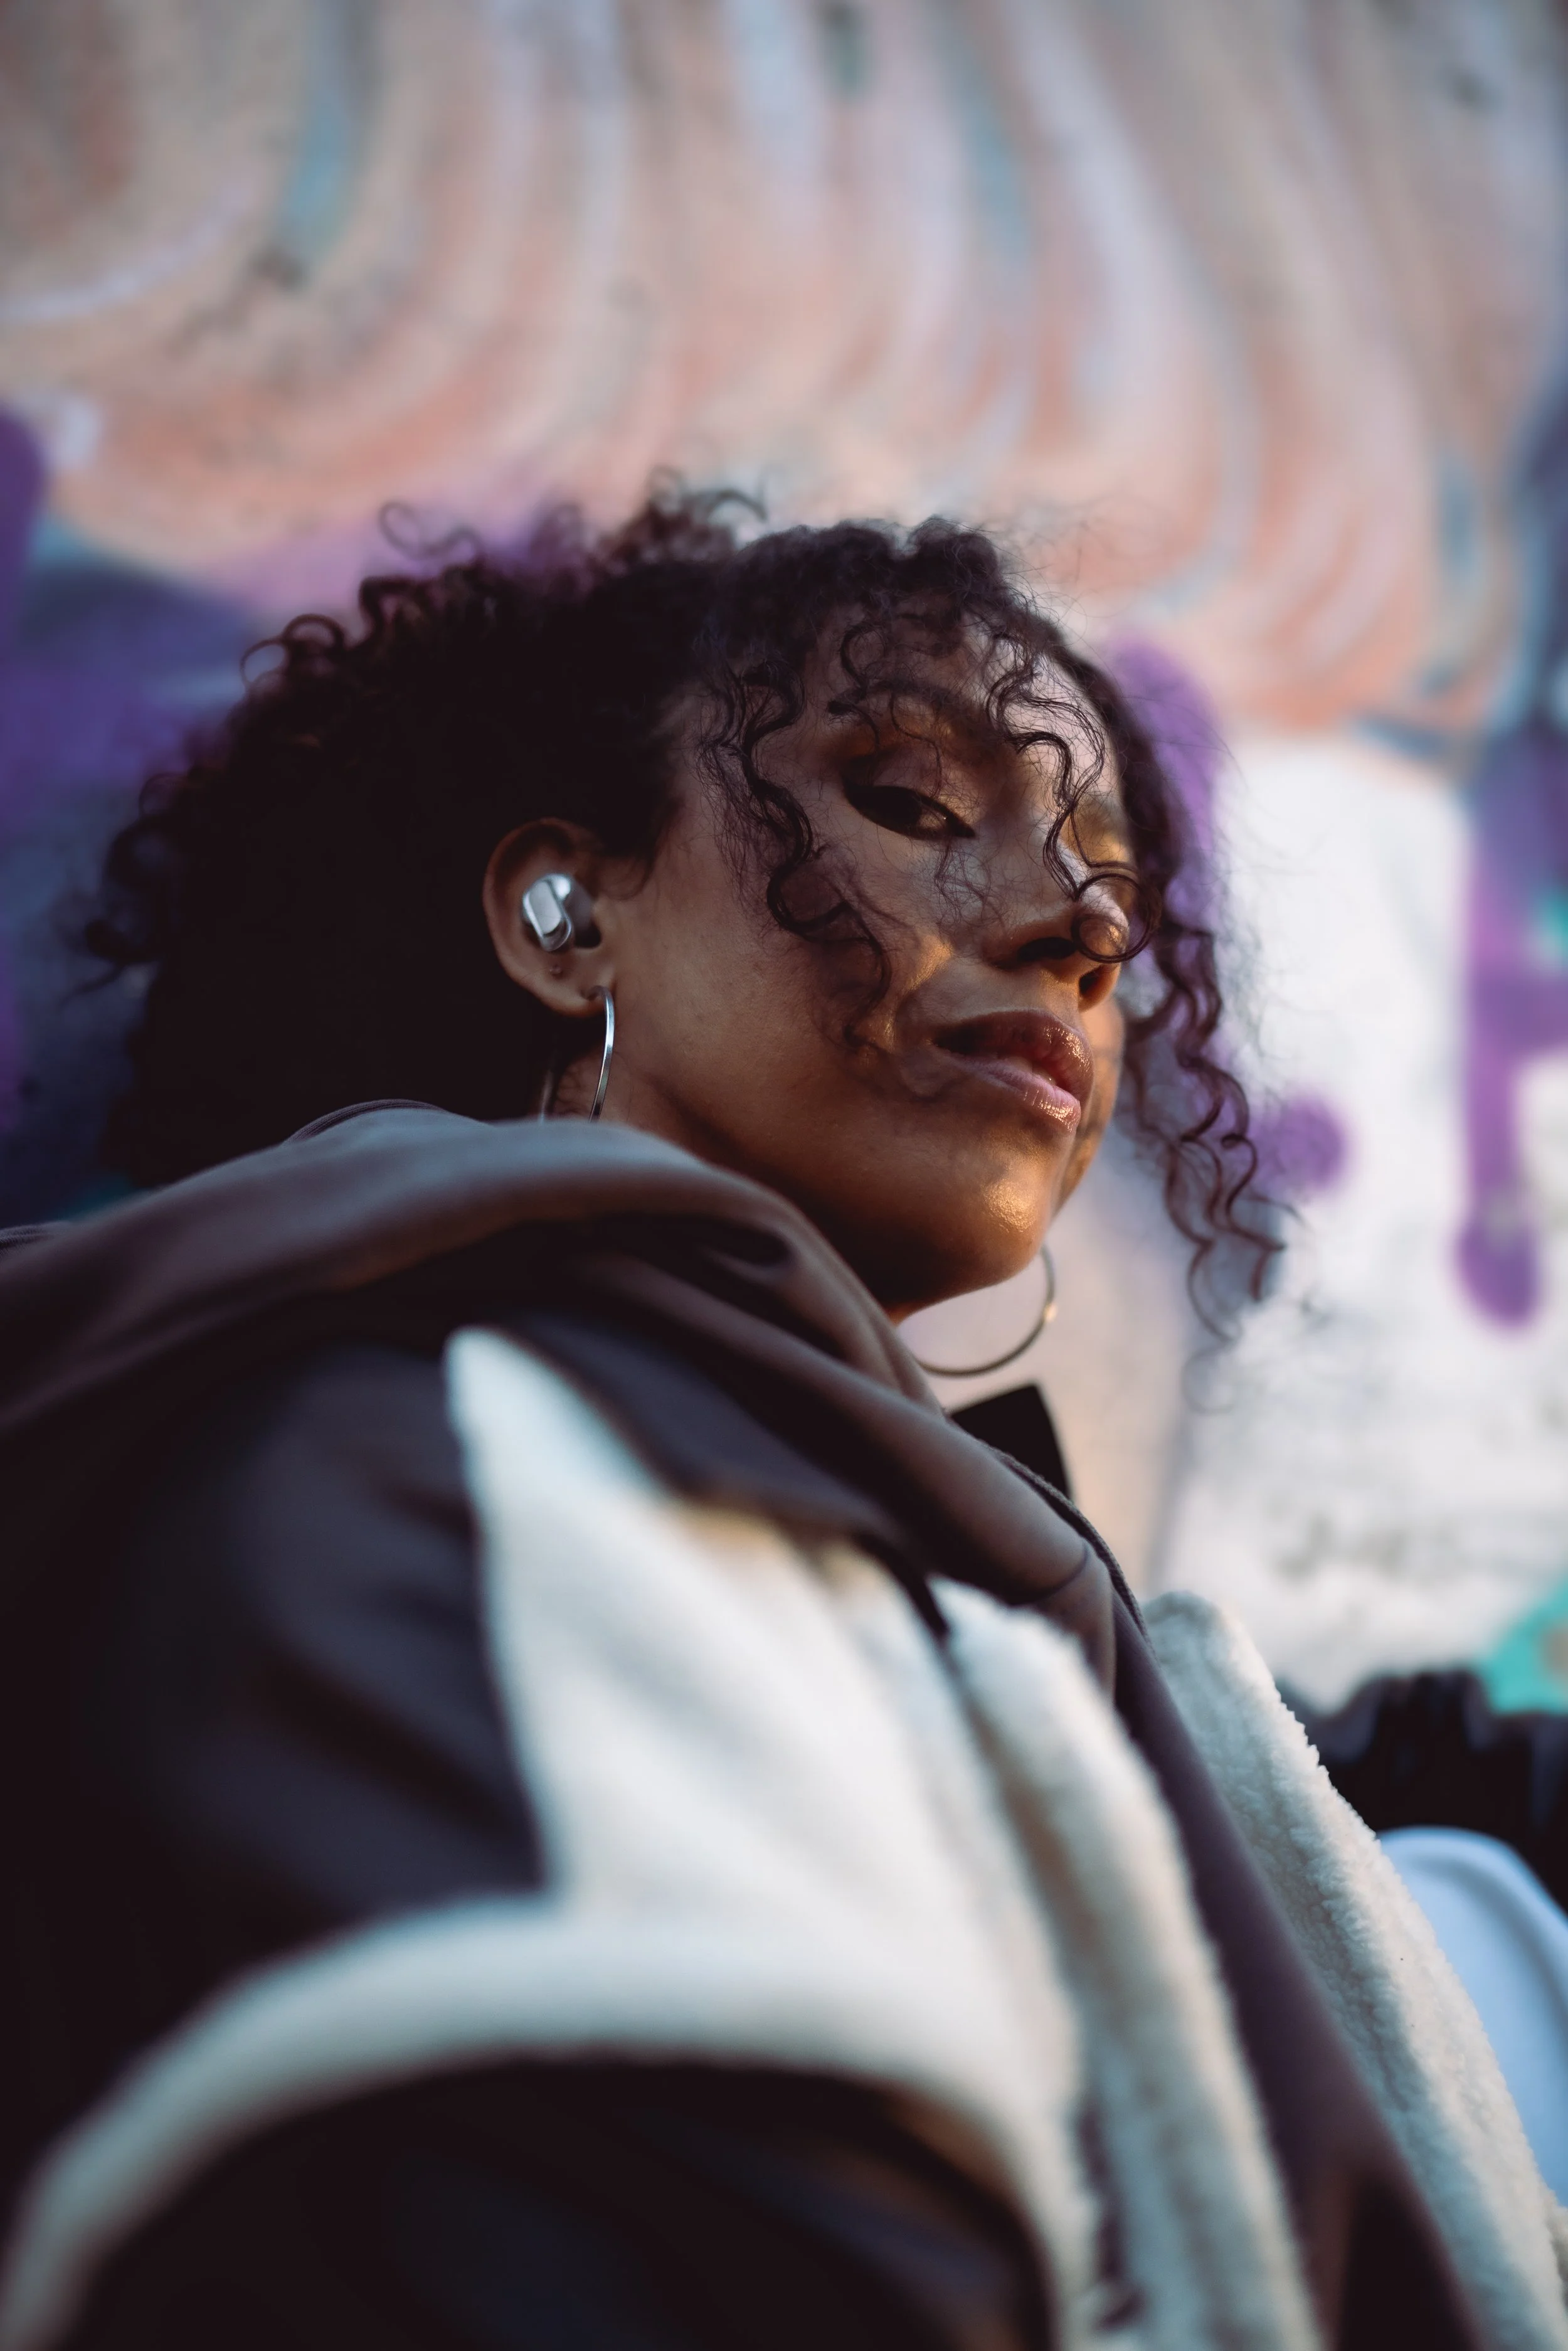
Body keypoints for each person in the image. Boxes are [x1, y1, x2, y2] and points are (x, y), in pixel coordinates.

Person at [0, 494, 1561, 2351]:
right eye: (911, 801)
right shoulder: (437, 1452)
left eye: (1106, 877)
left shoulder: (954, 1581)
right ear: (566, 913)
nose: (1079, 922)